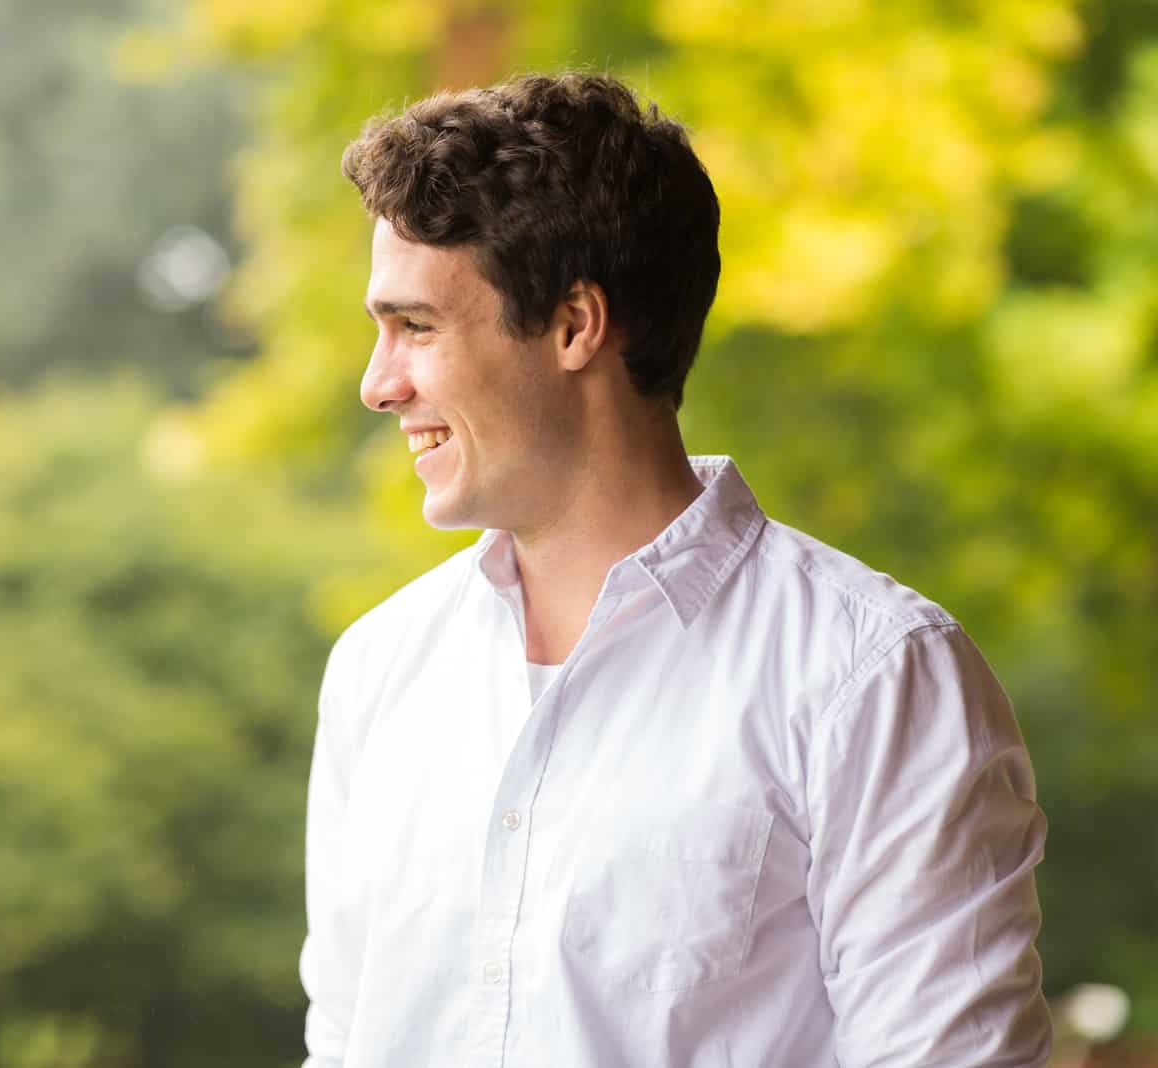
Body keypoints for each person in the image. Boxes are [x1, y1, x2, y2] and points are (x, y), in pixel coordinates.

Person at [299, 71, 1051, 1067]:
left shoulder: (870, 678)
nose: (376, 383)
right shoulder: (378, 671)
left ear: (574, 325)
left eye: (417, 327)